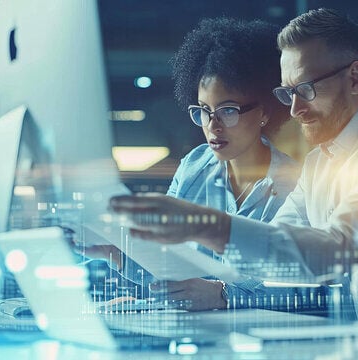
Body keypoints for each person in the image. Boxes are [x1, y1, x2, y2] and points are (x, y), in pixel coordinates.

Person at [109, 9, 358, 332]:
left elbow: (336, 252)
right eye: (288, 93)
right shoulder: (321, 162)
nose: (293, 110)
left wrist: (206, 225)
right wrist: (125, 250)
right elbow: (276, 254)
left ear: (355, 78)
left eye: (305, 90)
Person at [89, 18, 301, 311]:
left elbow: (308, 292)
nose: (213, 126)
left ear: (264, 111)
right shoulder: (195, 165)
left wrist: (224, 295)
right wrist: (117, 253)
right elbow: (171, 265)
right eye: (204, 111)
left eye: (227, 110)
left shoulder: (296, 186)